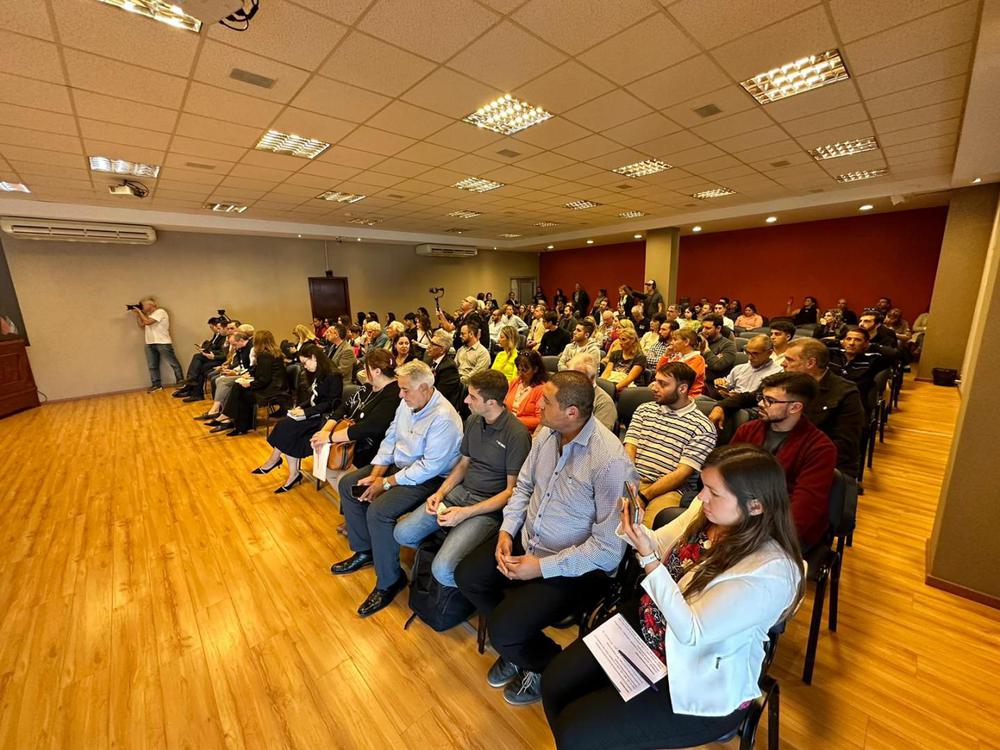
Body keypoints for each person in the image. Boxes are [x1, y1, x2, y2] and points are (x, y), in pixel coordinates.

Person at [541, 445, 804, 749]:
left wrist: (649, 561)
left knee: (576, 732)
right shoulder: (706, 514)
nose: (701, 497)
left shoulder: (771, 572)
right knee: (554, 684)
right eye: (703, 486)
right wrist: (633, 528)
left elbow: (692, 631)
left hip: (696, 676)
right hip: (648, 625)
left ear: (755, 506)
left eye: (714, 492)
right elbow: (657, 542)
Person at [455, 371, 638, 706]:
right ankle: (519, 647)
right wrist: (507, 530)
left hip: (573, 566)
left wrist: (541, 567)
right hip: (530, 538)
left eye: (547, 401)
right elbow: (524, 487)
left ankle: (542, 664)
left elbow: (609, 550)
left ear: (572, 412)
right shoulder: (546, 432)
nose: (537, 404)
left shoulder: (610, 462)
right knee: (468, 576)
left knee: (504, 630)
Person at [330, 360, 464, 618]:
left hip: (429, 478)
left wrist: (386, 483)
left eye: (404, 389)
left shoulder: (444, 418)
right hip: (401, 466)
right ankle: (366, 550)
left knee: (379, 512)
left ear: (424, 388)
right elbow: (391, 437)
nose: (400, 395)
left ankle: (389, 581)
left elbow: (428, 467)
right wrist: (376, 473)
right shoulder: (408, 402)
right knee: (349, 485)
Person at [394, 370, 532, 587]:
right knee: (402, 534)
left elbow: (511, 492)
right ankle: (449, 546)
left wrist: (465, 513)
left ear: (491, 403)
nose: (466, 400)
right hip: (460, 494)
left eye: (473, 397)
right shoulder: (474, 420)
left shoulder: (517, 434)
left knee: (442, 571)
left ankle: (466, 584)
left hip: (486, 507)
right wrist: (440, 493)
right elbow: (463, 465)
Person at [731, 372, 837, 550]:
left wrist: (755, 536)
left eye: (769, 401)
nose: (760, 404)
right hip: (739, 513)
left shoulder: (820, 448)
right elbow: (726, 474)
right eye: (761, 397)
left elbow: (804, 509)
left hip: (782, 529)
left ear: (795, 407)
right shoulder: (747, 430)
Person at [624, 362, 717, 514]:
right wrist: (628, 479)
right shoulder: (644, 410)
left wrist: (643, 496)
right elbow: (630, 448)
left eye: (663, 384)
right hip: (634, 478)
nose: (654, 387)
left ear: (682, 389)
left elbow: (682, 473)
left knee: (648, 524)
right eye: (655, 381)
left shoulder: (702, 427)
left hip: (670, 489)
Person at [252, 344, 343, 492]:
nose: (305, 367)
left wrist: (306, 412)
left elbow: (332, 404)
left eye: (305, 363)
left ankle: (276, 461)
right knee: (287, 428)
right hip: (314, 413)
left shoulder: (333, 375)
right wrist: (301, 407)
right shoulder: (318, 372)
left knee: (286, 427)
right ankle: (290, 471)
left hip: (324, 418)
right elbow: (314, 397)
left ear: (314, 358)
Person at [310, 349, 400, 476]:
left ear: (377, 372)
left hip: (368, 448)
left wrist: (329, 437)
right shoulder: (368, 386)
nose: (363, 372)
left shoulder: (394, 394)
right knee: (322, 455)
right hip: (347, 438)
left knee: (336, 472)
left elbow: (369, 427)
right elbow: (344, 407)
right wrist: (325, 431)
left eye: (366, 368)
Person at [217, 330, 288, 436]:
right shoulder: (272, 353)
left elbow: (264, 379)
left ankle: (236, 423)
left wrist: (250, 384)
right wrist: (250, 376)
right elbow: (262, 373)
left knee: (241, 393)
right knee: (238, 387)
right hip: (274, 386)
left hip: (272, 390)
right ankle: (238, 423)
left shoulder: (265, 355)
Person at [130, 296, 183, 392]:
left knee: (173, 363)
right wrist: (138, 315)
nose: (142, 307)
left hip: (163, 342)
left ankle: (181, 382)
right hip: (150, 343)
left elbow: (147, 322)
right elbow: (141, 325)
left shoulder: (160, 312)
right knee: (152, 365)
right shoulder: (148, 315)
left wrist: (140, 312)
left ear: (150, 305)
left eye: (143, 305)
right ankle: (156, 384)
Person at [828, 326, 892, 404]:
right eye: (848, 339)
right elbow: (815, 345)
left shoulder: (873, 360)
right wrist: (838, 342)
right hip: (828, 399)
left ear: (866, 343)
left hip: (855, 402)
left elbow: (897, 355)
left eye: (858, 340)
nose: (851, 343)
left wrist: (872, 346)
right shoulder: (833, 354)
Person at [174, 316, 228, 401]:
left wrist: (213, 355)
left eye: (219, 328)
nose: (217, 330)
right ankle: (193, 389)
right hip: (216, 357)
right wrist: (206, 350)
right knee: (199, 363)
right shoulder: (220, 335)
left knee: (198, 358)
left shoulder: (227, 338)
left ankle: (192, 386)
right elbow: (215, 346)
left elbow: (225, 354)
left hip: (221, 360)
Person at [712, 334, 781, 399]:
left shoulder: (777, 373)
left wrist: (741, 398)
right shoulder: (739, 368)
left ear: (769, 353)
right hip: (731, 402)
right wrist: (721, 385)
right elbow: (727, 387)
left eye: (755, 353)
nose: (750, 357)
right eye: (748, 353)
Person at [567, 353, 617, 433]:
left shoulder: (604, 403)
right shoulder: (565, 392)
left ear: (592, 378)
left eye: (577, 377)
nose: (571, 380)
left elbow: (599, 436)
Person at [505, 350, 548, 430]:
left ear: (535, 369)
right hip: (507, 425)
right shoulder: (515, 382)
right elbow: (504, 405)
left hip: (524, 430)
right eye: (518, 370)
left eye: (524, 370)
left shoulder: (542, 389)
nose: (520, 374)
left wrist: (514, 421)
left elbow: (540, 420)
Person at [658, 328, 706, 398]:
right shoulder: (677, 357)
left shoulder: (698, 359)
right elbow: (659, 371)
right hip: (673, 393)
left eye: (675, 340)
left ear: (686, 342)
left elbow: (683, 379)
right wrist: (666, 355)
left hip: (689, 396)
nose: (671, 343)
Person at [424, 329, 463, 409]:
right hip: (428, 400)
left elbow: (439, 394)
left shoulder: (449, 368)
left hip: (441, 406)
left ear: (442, 349)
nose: (428, 346)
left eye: (433, 344)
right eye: (430, 342)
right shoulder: (428, 358)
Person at [601, 326, 646, 392]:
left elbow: (629, 378)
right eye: (619, 339)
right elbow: (606, 373)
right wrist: (601, 385)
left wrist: (612, 390)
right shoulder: (615, 354)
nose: (620, 342)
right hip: (612, 382)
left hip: (629, 387)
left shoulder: (640, 357)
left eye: (624, 339)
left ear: (632, 340)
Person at [701, 315, 736, 380]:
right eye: (703, 327)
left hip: (715, 381)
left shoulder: (728, 345)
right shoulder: (699, 340)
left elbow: (718, 366)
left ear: (718, 328)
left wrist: (706, 350)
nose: (703, 330)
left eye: (708, 328)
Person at [456, 320, 492, 384]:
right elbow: (454, 366)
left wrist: (458, 381)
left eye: (463, 334)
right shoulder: (461, 349)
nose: (460, 336)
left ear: (471, 334)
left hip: (470, 384)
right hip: (457, 380)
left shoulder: (483, 352)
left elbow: (477, 374)